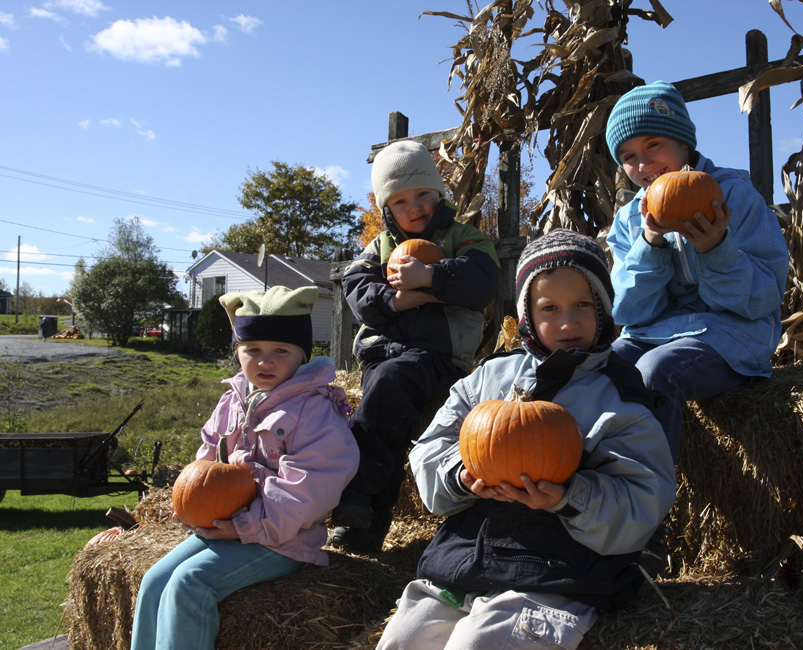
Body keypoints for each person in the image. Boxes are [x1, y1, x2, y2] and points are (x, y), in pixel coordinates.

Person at [376, 230, 676, 649]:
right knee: (404, 640)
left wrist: (569, 496)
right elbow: (430, 447)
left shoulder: (621, 397)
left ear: (604, 310)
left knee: (478, 644)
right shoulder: (488, 377)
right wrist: (460, 476)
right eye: (550, 308)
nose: (568, 322)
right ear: (527, 316)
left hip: (561, 572)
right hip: (463, 561)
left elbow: (644, 497)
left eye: (583, 305)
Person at [131, 285, 359, 650]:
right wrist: (192, 506)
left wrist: (245, 526)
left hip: (281, 539)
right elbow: (207, 460)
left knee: (190, 583)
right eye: (252, 350)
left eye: (280, 351)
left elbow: (309, 489)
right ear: (237, 352)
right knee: (154, 581)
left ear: (301, 356)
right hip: (225, 527)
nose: (265, 361)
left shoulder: (313, 411)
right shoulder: (232, 401)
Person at [604, 80, 790, 463]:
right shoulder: (629, 219)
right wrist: (650, 243)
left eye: (653, 145)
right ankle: (604, 487)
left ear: (684, 142)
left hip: (732, 332)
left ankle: (650, 492)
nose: (643, 164)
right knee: (601, 369)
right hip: (655, 332)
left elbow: (764, 297)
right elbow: (628, 310)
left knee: (657, 371)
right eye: (628, 156)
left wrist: (715, 249)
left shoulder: (733, 196)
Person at [330, 140, 500, 554]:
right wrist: (395, 300)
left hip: (438, 355)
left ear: (439, 192)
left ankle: (357, 495)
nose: (415, 206)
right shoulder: (379, 248)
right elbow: (356, 289)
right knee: (384, 410)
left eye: (423, 193)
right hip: (383, 353)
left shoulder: (463, 237)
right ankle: (365, 526)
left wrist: (431, 277)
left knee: (390, 385)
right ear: (387, 207)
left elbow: (482, 280)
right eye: (401, 200)